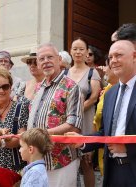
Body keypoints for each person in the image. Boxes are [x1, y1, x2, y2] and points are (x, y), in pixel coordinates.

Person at [67, 40, 136, 186]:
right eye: (111, 57)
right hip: (113, 172)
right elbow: (105, 132)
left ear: (134, 56)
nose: (113, 61)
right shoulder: (110, 93)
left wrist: (127, 147)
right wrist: (83, 141)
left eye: (118, 55)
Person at [27, 43, 83, 187]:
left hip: (62, 160)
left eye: (50, 57)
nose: (46, 61)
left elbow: (74, 125)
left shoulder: (71, 86)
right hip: (39, 159)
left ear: (59, 60)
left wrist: (43, 134)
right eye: (41, 59)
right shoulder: (38, 87)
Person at [69, 37, 101, 187]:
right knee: (68, 161)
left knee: (86, 162)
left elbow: (94, 96)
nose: (78, 52)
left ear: (87, 52)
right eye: (75, 48)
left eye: (81, 49)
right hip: (67, 123)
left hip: (86, 120)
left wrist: (76, 111)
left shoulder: (92, 73)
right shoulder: (64, 73)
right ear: (70, 51)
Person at [93, 56, 119, 176]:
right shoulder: (107, 90)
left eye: (106, 67)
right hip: (102, 144)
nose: (105, 70)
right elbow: (97, 119)